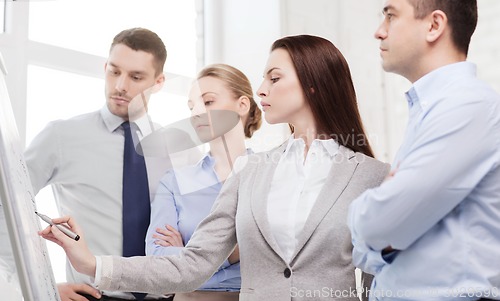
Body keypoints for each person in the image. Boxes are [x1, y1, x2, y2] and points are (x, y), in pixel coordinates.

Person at [39, 35, 390, 301]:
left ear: (314, 84)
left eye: (274, 78)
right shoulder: (251, 172)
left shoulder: (372, 176)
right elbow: (191, 264)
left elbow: (381, 280)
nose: (261, 89)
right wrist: (91, 264)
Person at [347, 0, 500, 300]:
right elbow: (368, 251)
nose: (378, 32)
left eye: (390, 16)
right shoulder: (431, 109)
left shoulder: (468, 106)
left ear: (434, 25)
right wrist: (381, 232)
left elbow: (379, 224)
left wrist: (365, 215)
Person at [25, 28, 176, 301]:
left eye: (136, 77)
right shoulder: (61, 136)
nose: (120, 85)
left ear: (159, 82)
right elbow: (8, 211)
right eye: (114, 71)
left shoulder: (177, 149)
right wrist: (40, 284)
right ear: (105, 67)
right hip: (92, 295)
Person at [145, 63, 262, 301]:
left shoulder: (271, 176)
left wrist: (190, 258)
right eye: (192, 106)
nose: (196, 113)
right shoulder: (175, 182)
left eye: (208, 102)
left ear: (242, 105)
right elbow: (158, 267)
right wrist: (234, 252)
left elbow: (282, 260)